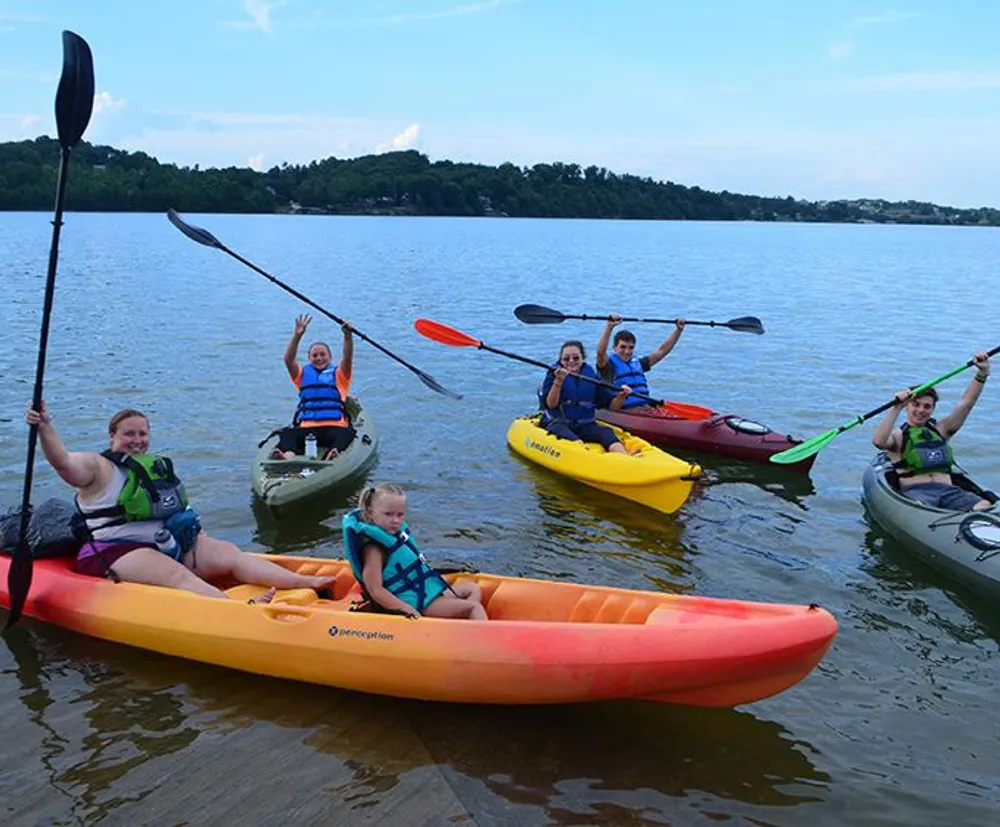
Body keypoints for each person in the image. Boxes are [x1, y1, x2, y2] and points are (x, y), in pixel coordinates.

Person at [25, 401, 337, 599]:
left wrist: (197, 537)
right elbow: (63, 462)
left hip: (170, 541)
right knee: (178, 576)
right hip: (116, 550)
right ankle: (242, 611)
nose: (136, 441)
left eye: (142, 434)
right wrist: (46, 427)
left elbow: (178, 509)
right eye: (128, 434)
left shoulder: (155, 467)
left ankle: (299, 583)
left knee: (230, 554)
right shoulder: (97, 467)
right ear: (112, 437)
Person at [341, 483, 487, 620]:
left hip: (423, 592)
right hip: (416, 603)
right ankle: (477, 634)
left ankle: (461, 623)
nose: (395, 520)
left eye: (400, 515)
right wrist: (408, 610)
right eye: (388, 514)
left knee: (472, 588)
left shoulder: (396, 537)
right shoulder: (374, 550)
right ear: (370, 513)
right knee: (474, 607)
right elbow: (375, 590)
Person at [871, 351, 993, 510]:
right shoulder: (898, 435)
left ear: (933, 409)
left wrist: (982, 373)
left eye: (927, 406)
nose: (921, 410)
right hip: (917, 493)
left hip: (950, 492)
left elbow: (966, 404)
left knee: (985, 504)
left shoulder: (941, 430)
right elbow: (878, 442)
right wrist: (896, 407)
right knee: (921, 506)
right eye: (916, 404)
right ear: (907, 407)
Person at [273, 313, 356, 460]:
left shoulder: (339, 374)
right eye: (315, 355)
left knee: (347, 434)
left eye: (322, 354)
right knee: (286, 435)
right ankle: (288, 458)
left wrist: (347, 336)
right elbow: (288, 359)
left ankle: (333, 453)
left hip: (334, 427)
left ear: (330, 357)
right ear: (309, 358)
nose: (319, 358)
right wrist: (297, 335)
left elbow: (347, 357)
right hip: (307, 429)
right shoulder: (302, 374)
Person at [539, 340, 632, 454]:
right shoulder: (553, 374)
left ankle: (625, 457)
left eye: (576, 358)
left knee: (607, 433)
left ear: (583, 358)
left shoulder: (590, 376)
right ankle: (586, 455)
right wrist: (558, 381)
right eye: (566, 359)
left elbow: (613, 406)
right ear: (561, 360)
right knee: (575, 442)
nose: (571, 361)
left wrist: (622, 396)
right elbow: (551, 404)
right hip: (559, 424)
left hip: (584, 425)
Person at [596, 314, 686, 411]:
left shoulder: (638, 363)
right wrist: (609, 327)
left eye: (631, 347)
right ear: (614, 348)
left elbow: (662, 351)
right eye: (623, 347)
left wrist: (678, 330)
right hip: (624, 410)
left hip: (646, 407)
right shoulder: (608, 366)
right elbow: (600, 352)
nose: (627, 351)